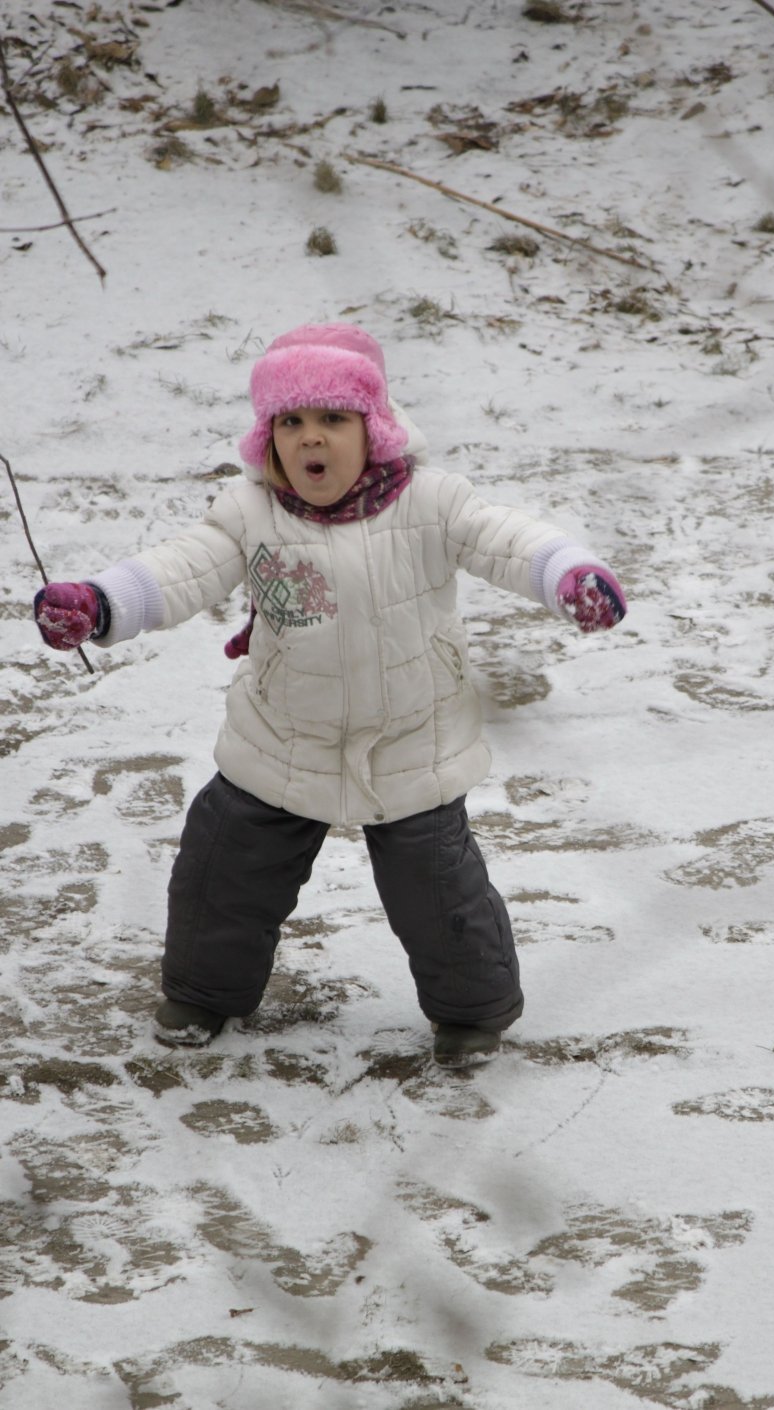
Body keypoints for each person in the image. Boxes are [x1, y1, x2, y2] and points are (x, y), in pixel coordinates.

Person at [33, 323, 626, 1066]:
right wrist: (101, 601)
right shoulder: (252, 513)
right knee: (223, 871)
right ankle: (201, 994)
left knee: (440, 897)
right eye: (292, 423)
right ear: (269, 438)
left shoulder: (431, 503)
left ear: (373, 429)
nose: (311, 440)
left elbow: (506, 538)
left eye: (332, 420)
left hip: (413, 740)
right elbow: (182, 567)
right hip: (282, 738)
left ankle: (472, 1013)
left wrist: (567, 574)